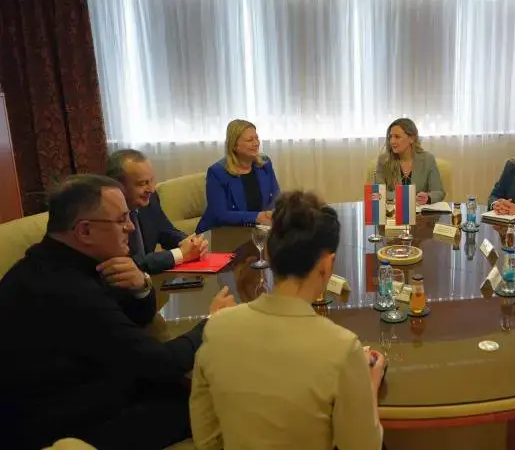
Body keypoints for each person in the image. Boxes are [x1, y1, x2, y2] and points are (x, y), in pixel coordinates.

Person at [0, 175, 236, 450]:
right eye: (122, 220)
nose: (131, 227)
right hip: (60, 425)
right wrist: (212, 323)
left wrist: (141, 286)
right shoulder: (66, 289)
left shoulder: (68, 261)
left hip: (94, 382)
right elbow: (161, 363)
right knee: (213, 400)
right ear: (84, 231)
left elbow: (135, 319)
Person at [190, 191, 386, 450]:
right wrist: (369, 384)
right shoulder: (342, 348)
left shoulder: (216, 328)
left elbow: (206, 438)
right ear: (327, 264)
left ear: (268, 254)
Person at [107, 149, 208, 274]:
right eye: (143, 183)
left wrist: (191, 243)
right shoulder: (106, 217)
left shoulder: (150, 199)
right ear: (118, 186)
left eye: (151, 180)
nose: (151, 189)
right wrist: (180, 254)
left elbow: (166, 231)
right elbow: (130, 264)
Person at [196, 119, 281, 233]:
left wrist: (271, 214)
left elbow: (276, 197)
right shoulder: (217, 172)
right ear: (234, 146)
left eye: (256, 138)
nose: (256, 143)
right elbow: (220, 214)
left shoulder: (264, 164)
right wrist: (257, 217)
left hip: (257, 230)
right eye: (250, 140)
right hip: (220, 233)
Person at [375, 118, 445, 204]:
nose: (392, 141)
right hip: (393, 211)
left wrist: (428, 197)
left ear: (411, 138)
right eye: (390, 137)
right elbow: (378, 193)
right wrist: (409, 197)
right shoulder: (384, 160)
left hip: (419, 211)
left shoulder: (428, 159)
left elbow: (439, 192)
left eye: (397, 137)